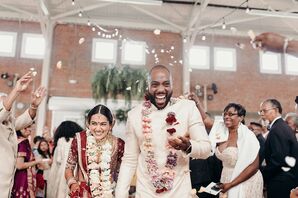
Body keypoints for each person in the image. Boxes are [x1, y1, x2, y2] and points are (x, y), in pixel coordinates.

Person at [115, 65, 211, 198]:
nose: (161, 89)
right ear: (148, 86)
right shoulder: (134, 115)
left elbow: (206, 149)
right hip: (146, 192)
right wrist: (120, 195)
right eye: (155, 85)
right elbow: (130, 160)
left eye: (166, 84)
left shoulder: (188, 108)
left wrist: (188, 146)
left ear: (172, 85)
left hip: (180, 191)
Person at [0, 71, 46, 197]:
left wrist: (33, 106)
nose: (8, 108)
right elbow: (3, 110)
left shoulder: (9, 123)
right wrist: (16, 90)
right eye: (4, 104)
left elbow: (24, 120)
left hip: (8, 181)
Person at [65, 104, 125, 197]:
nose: (98, 128)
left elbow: (122, 173)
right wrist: (72, 184)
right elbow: (69, 167)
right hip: (82, 193)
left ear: (111, 125)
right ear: (88, 124)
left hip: (107, 192)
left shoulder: (118, 144)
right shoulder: (79, 140)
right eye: (94, 123)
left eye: (103, 124)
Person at [207, 103, 263, 198]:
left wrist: (231, 184)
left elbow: (254, 166)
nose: (226, 117)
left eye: (230, 114)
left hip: (245, 180)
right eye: (224, 114)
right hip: (226, 177)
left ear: (241, 117)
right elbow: (205, 120)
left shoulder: (248, 136)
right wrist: (196, 103)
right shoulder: (222, 132)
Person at [259, 99, 298, 198]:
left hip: (281, 180)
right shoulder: (280, 126)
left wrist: (263, 174)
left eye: (265, 110)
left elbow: (278, 158)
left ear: (276, 110)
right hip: (283, 178)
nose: (262, 114)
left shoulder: (278, 129)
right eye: (261, 111)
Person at [47, 121, 83, 198]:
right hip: (77, 172)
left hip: (64, 173)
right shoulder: (79, 141)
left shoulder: (61, 141)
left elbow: (58, 160)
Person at [11, 124, 44, 198]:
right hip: (23, 178)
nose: (29, 129)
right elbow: (19, 165)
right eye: (25, 127)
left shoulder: (17, 140)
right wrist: (37, 161)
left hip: (19, 177)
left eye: (30, 127)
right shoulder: (23, 142)